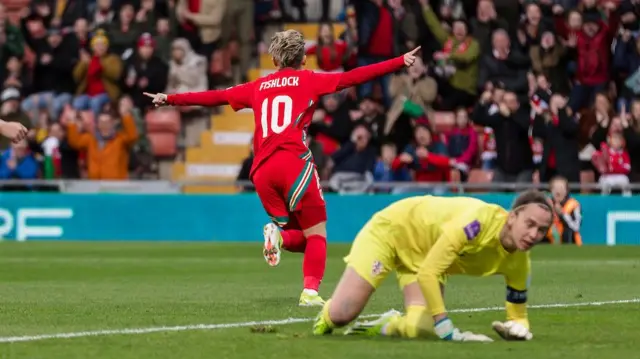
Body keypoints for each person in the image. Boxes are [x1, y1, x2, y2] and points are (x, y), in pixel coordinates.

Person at [143, 30, 422, 307]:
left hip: (262, 172)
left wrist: (170, 98)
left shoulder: (258, 86)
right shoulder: (309, 79)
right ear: (303, 60)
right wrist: (399, 61)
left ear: (275, 61)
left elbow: (215, 97)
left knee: (300, 237)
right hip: (293, 165)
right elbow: (354, 77)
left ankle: (278, 236)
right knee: (318, 235)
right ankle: (310, 293)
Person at [313, 190, 553, 342]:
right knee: (342, 314)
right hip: (393, 232)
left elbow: (518, 314)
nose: (534, 234)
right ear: (512, 217)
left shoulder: (520, 262)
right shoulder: (477, 223)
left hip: (427, 255)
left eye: (542, 230)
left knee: (421, 328)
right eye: (529, 224)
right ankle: (325, 316)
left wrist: (519, 329)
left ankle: (387, 324)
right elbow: (430, 272)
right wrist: (446, 326)